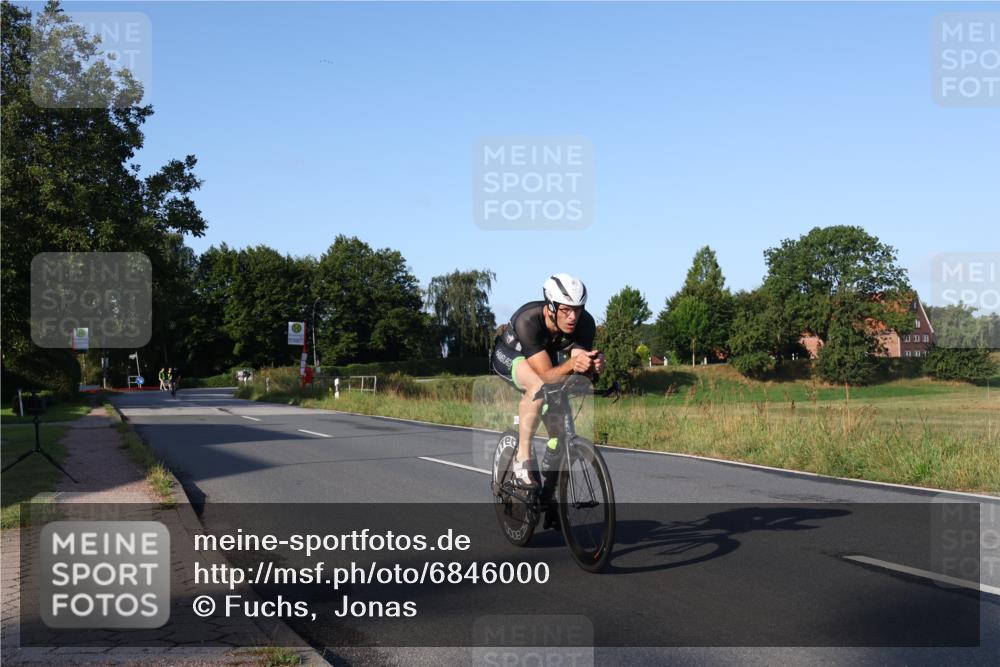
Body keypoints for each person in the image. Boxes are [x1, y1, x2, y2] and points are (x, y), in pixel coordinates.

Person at [490, 274, 605, 505]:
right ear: (551, 306)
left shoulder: (585, 323)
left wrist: (593, 366)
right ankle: (522, 459)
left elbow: (577, 363)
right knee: (539, 387)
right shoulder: (529, 320)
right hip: (511, 354)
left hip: (544, 355)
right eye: (565, 310)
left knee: (560, 430)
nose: (572, 317)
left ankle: (549, 495)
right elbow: (545, 376)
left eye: (578, 309)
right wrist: (572, 365)